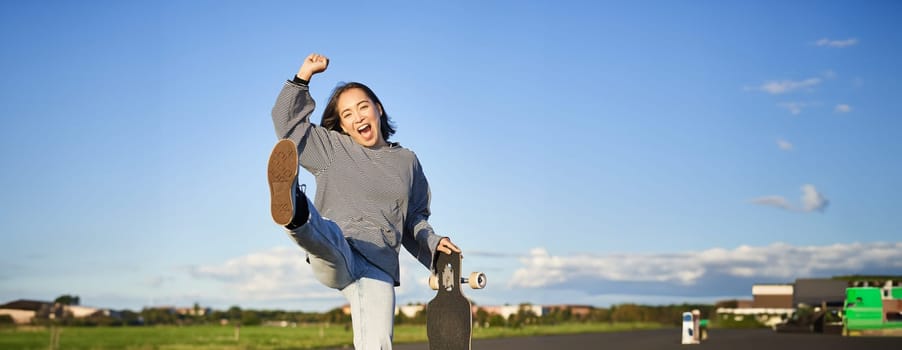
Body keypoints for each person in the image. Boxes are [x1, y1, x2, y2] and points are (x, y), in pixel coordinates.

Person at [267, 53, 461, 349]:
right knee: (328, 238)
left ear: (378, 109)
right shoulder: (332, 149)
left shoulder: (407, 162)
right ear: (343, 126)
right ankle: (295, 210)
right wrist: (303, 76)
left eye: (362, 107)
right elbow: (286, 125)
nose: (357, 117)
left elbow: (413, 219)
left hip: (378, 264)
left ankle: (297, 211)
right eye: (347, 114)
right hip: (340, 246)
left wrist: (434, 244)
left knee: (378, 342)